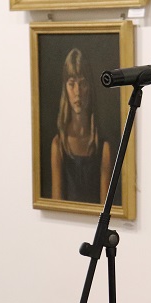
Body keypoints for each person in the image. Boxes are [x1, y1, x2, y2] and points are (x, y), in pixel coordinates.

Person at [50, 48, 113, 204]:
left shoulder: (103, 147)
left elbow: (106, 207)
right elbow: (56, 205)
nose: (77, 92)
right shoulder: (58, 145)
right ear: (65, 88)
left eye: (83, 83)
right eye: (72, 84)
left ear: (90, 88)